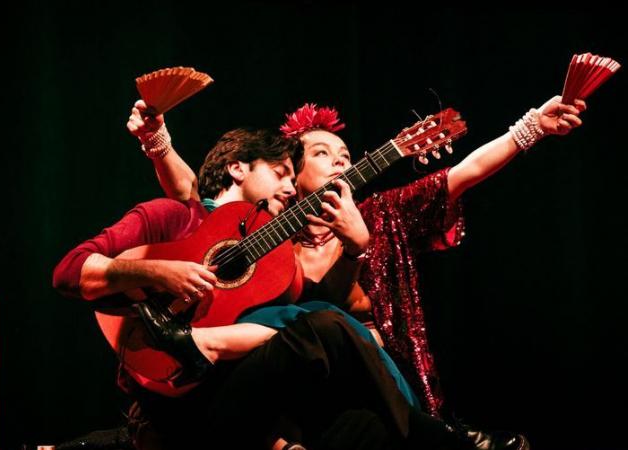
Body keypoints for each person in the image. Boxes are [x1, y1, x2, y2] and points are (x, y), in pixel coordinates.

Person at [54, 124, 530, 450]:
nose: (287, 187)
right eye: (281, 173)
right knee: (326, 324)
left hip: (253, 395)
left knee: (367, 420)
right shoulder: (174, 217)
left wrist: (357, 249)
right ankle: (445, 437)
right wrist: (157, 273)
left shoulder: (276, 251)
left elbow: (454, 179)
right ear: (240, 168)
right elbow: (72, 269)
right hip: (178, 401)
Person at [129, 94, 586, 417]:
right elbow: (196, 199)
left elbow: (461, 175)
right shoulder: (264, 225)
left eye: (345, 154)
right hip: (290, 382)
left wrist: (530, 128)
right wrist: (158, 142)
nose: (340, 162)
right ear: (291, 173)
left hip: (368, 371)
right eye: (322, 153)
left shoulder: (380, 213)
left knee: (325, 318)